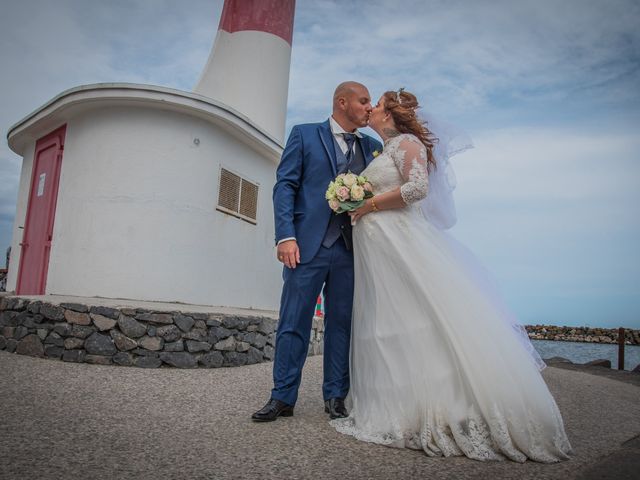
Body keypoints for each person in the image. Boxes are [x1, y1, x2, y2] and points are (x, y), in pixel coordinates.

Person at [331, 89, 573, 463]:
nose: (371, 110)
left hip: (400, 243)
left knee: (417, 318)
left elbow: (416, 189)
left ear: (391, 116)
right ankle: (399, 404)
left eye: (377, 106)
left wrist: (368, 204)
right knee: (388, 323)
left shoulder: (407, 143)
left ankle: (444, 408)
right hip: (379, 249)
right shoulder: (387, 148)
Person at [251, 82, 383, 422]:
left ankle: (336, 397)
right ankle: (282, 397)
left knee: (342, 325)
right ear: (343, 102)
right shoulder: (304, 134)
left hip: (352, 250)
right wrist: (285, 237)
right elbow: (286, 186)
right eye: (363, 100)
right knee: (294, 321)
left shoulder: (373, 147)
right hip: (306, 246)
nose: (369, 107)